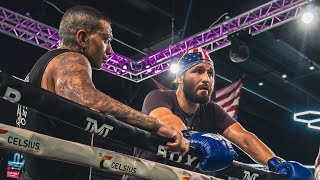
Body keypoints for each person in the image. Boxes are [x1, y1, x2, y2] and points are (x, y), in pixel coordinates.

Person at [16, 6, 189, 180]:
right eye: (105, 39)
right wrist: (156, 125)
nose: (110, 50)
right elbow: (90, 100)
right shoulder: (70, 58)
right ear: (82, 38)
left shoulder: (39, 68)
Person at [123, 47, 313, 180]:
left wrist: (276, 163)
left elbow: (245, 138)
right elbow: (165, 119)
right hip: (143, 177)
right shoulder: (158, 97)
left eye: (211, 74)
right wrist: (194, 137)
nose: (206, 78)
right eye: (198, 71)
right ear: (179, 77)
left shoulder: (212, 110)